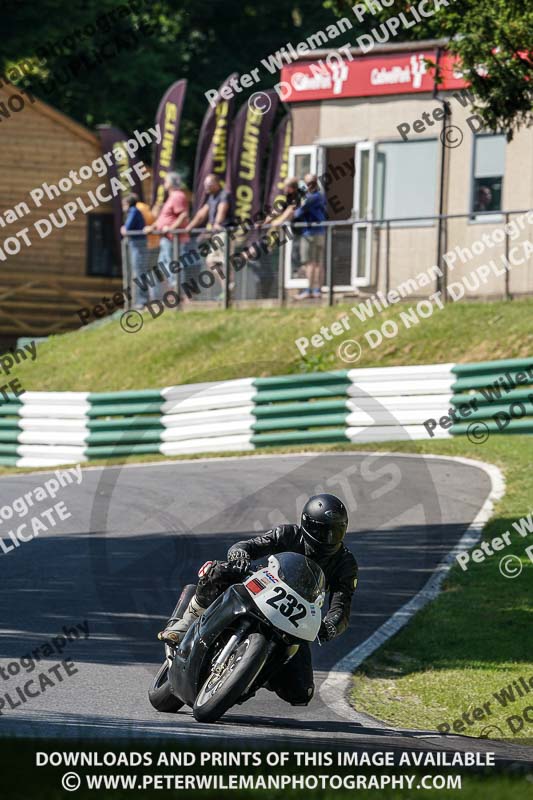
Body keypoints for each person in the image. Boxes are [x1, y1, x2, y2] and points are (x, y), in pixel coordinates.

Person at [158, 493, 358, 707]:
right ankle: (187, 621)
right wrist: (240, 555)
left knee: (301, 692)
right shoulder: (288, 534)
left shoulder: (345, 563)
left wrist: (331, 625)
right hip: (264, 588)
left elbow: (342, 605)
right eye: (322, 529)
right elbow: (247, 546)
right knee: (218, 571)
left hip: (295, 616)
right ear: (307, 524)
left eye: (335, 530)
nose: (328, 537)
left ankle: (255, 670)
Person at [145, 172, 190, 299]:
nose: (164, 183)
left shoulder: (177, 196)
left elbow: (183, 215)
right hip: (167, 239)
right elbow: (164, 218)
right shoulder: (171, 197)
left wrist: (171, 228)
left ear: (172, 182)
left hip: (174, 239)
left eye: (166, 181)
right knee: (163, 265)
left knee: (173, 265)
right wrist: (153, 227)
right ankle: (174, 291)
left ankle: (179, 293)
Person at [293, 173, 327, 300]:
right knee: (318, 263)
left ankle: (310, 290)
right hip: (320, 232)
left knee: (310, 263)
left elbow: (297, 212)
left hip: (310, 234)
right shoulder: (320, 196)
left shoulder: (311, 197)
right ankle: (317, 290)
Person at [121, 194, 148, 308]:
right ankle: (140, 300)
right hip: (137, 245)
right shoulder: (135, 211)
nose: (123, 207)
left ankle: (142, 301)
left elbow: (126, 229)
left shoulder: (133, 211)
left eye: (124, 204)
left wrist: (123, 228)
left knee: (139, 273)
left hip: (137, 246)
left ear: (128, 204)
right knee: (138, 272)